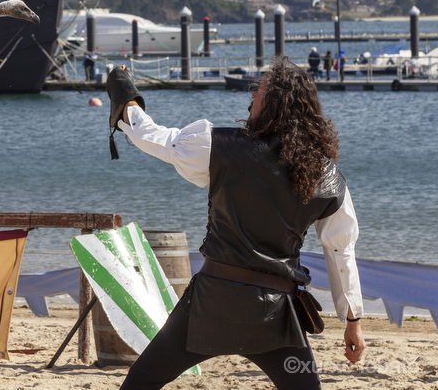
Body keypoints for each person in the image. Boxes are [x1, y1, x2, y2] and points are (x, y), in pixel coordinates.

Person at [106, 57, 364, 389]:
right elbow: (341, 252)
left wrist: (125, 98)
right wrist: (353, 320)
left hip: (211, 303)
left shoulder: (218, 146)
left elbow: (152, 137)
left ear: (276, 102)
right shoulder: (325, 176)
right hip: (273, 317)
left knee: (140, 383)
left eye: (260, 88)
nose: (251, 94)